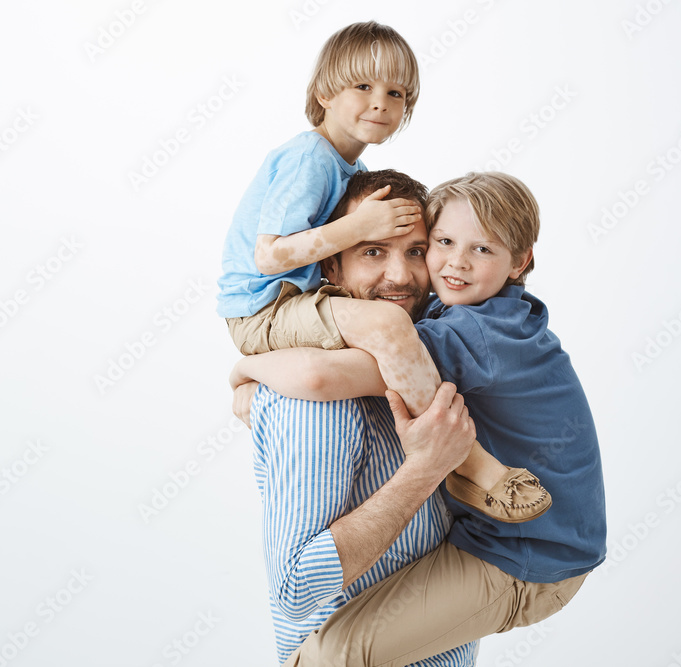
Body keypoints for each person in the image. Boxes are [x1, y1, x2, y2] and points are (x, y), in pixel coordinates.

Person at [239, 172, 608, 666]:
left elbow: (320, 375)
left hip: (531, 559)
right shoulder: (474, 310)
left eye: (483, 249)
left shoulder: (475, 332)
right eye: (444, 243)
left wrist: (244, 369)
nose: (455, 262)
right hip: (503, 540)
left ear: (521, 261)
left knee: (334, 654)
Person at [218, 21, 547, 521]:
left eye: (396, 93)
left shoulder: (346, 170)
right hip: (265, 308)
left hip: (289, 305)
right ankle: (467, 459)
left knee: (392, 331)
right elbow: (269, 257)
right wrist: (359, 227)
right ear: (325, 92)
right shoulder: (311, 157)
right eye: (364, 87)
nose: (381, 103)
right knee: (389, 324)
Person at [233, 170, 480, 665]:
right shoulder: (313, 403)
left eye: (415, 251)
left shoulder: (431, 355)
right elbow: (297, 586)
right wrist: (424, 470)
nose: (401, 276)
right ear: (331, 267)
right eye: (372, 251)